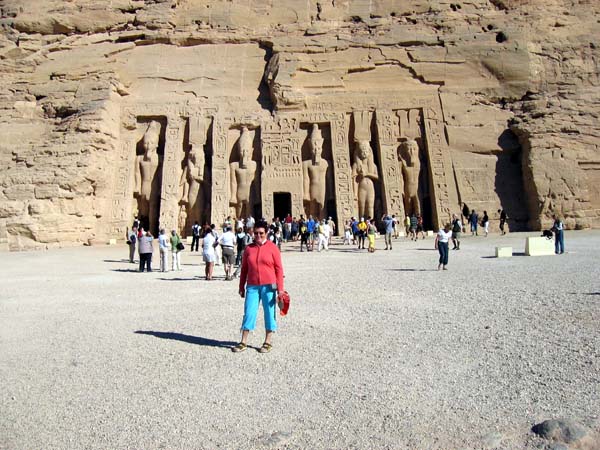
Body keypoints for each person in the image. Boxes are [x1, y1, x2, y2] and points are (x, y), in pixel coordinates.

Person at [233, 221, 285, 354]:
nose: (258, 235)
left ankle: (268, 341)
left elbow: (279, 270)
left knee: (269, 312)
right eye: (256, 233)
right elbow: (244, 269)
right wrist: (241, 286)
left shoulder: (273, 248)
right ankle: (243, 341)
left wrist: (280, 289)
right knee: (249, 312)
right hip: (252, 286)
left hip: (269, 286)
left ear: (266, 233)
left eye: (261, 233)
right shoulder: (249, 249)